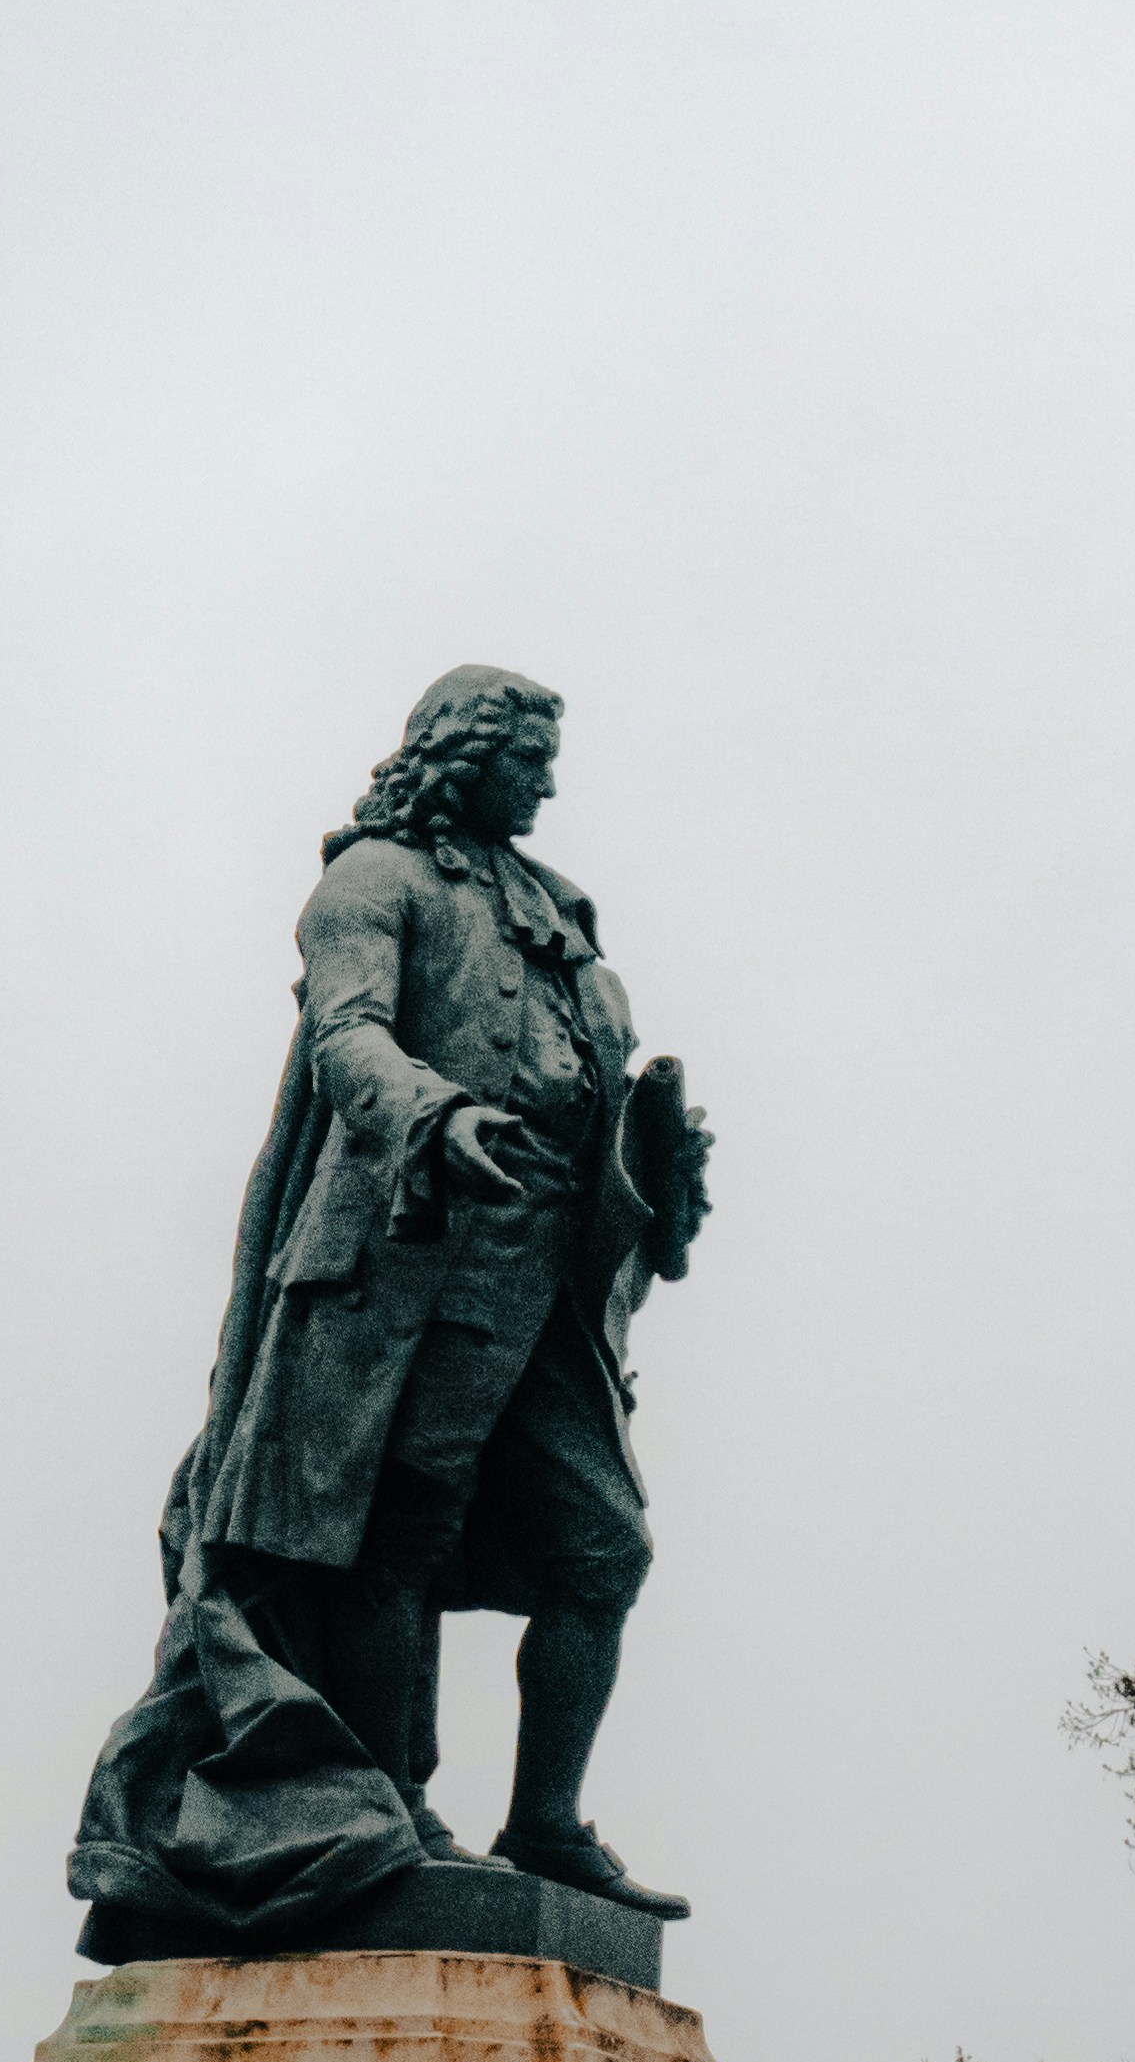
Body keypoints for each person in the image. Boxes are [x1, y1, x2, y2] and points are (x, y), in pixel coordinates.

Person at [68, 665, 710, 1952]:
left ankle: (547, 1824)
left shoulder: (552, 908)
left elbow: (588, 1082)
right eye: (528, 752)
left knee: (605, 1549)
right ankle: (395, 1813)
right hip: (401, 1266)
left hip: (544, 1277)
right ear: (465, 751)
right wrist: (437, 1114)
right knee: (392, 1534)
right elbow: (346, 1037)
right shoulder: (373, 881)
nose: (547, 778)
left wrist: (655, 1170)